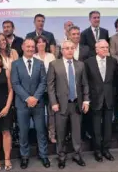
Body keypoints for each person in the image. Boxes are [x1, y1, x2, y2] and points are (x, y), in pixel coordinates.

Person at [47, 40, 90, 169]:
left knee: (77, 133)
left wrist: (86, 101)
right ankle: (61, 156)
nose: (70, 50)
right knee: (61, 133)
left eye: (72, 48)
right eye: (67, 48)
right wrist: (53, 102)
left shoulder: (80, 65)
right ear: (62, 50)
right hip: (60, 105)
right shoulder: (54, 64)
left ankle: (77, 155)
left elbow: (85, 84)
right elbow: (50, 86)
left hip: (76, 104)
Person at [10, 38, 50, 169]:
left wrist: (35, 98)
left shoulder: (40, 63)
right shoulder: (15, 64)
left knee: (41, 131)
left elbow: (43, 82)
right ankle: (24, 156)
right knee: (23, 132)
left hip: (38, 104)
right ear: (22, 47)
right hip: (22, 104)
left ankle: (43, 155)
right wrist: (28, 98)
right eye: (28, 47)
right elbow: (15, 84)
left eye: (33, 47)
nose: (30, 49)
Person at [84, 40, 118, 162]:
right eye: (102, 47)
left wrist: (114, 95)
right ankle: (97, 150)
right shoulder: (88, 62)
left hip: (109, 98)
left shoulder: (113, 61)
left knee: (108, 126)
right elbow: (85, 82)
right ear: (96, 49)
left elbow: (115, 81)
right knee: (96, 127)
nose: (105, 49)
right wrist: (86, 99)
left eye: (106, 47)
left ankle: (106, 150)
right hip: (95, 99)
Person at [33, 35, 56, 143]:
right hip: (38, 90)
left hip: (51, 89)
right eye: (39, 42)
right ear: (35, 45)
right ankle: (41, 136)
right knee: (40, 115)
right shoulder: (33, 57)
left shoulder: (51, 56)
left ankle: (52, 135)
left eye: (43, 42)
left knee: (52, 114)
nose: (41, 44)